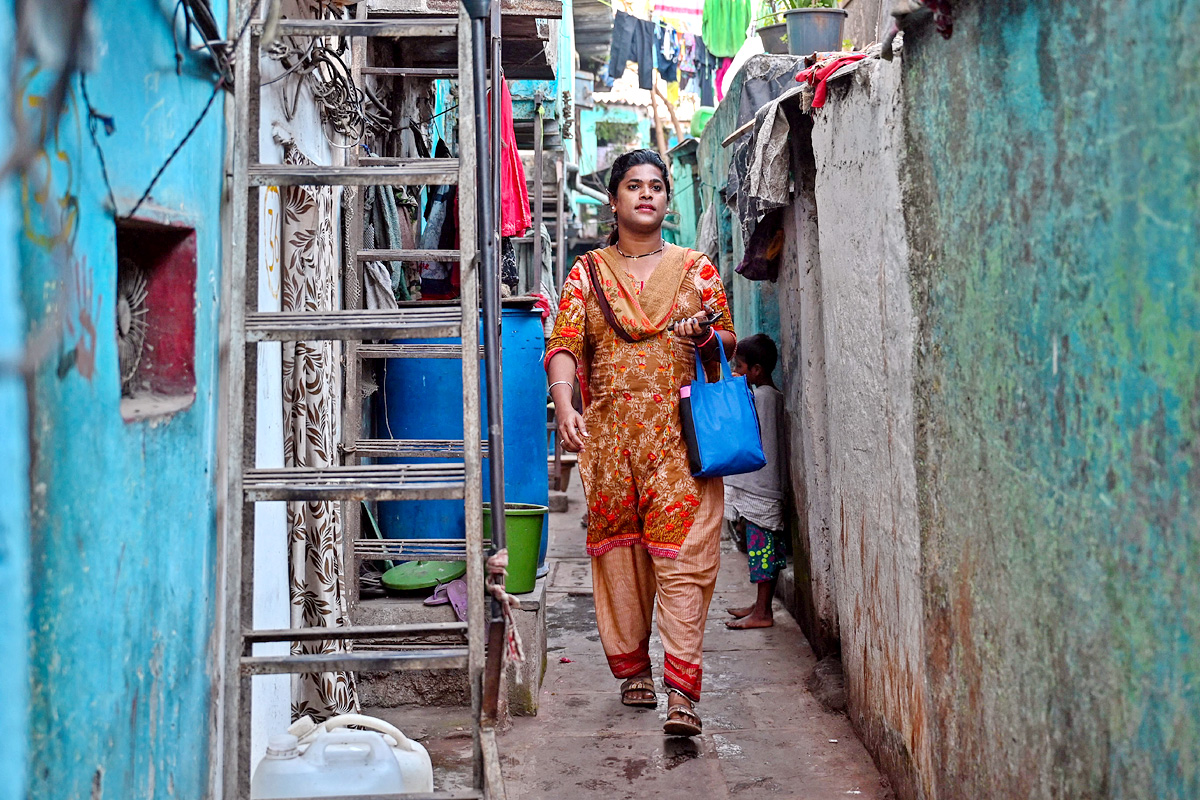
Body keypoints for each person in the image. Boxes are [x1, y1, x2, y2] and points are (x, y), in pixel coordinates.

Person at [544, 149, 735, 737]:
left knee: (685, 561)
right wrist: (565, 400)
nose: (646, 194)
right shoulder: (587, 274)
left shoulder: (697, 269)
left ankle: (682, 693)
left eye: (656, 186)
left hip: (681, 445)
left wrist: (704, 333)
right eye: (634, 186)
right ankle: (633, 667)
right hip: (610, 445)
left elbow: (726, 342)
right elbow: (565, 342)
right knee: (621, 559)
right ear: (615, 200)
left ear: (666, 200)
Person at [723, 333, 788, 629]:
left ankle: (763, 612)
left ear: (756, 370)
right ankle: (759, 606)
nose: (738, 370)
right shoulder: (770, 396)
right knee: (764, 549)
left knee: (762, 550)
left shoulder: (762, 397)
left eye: (741, 366)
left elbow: (747, 427)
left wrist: (734, 387)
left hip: (762, 487)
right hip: (765, 484)